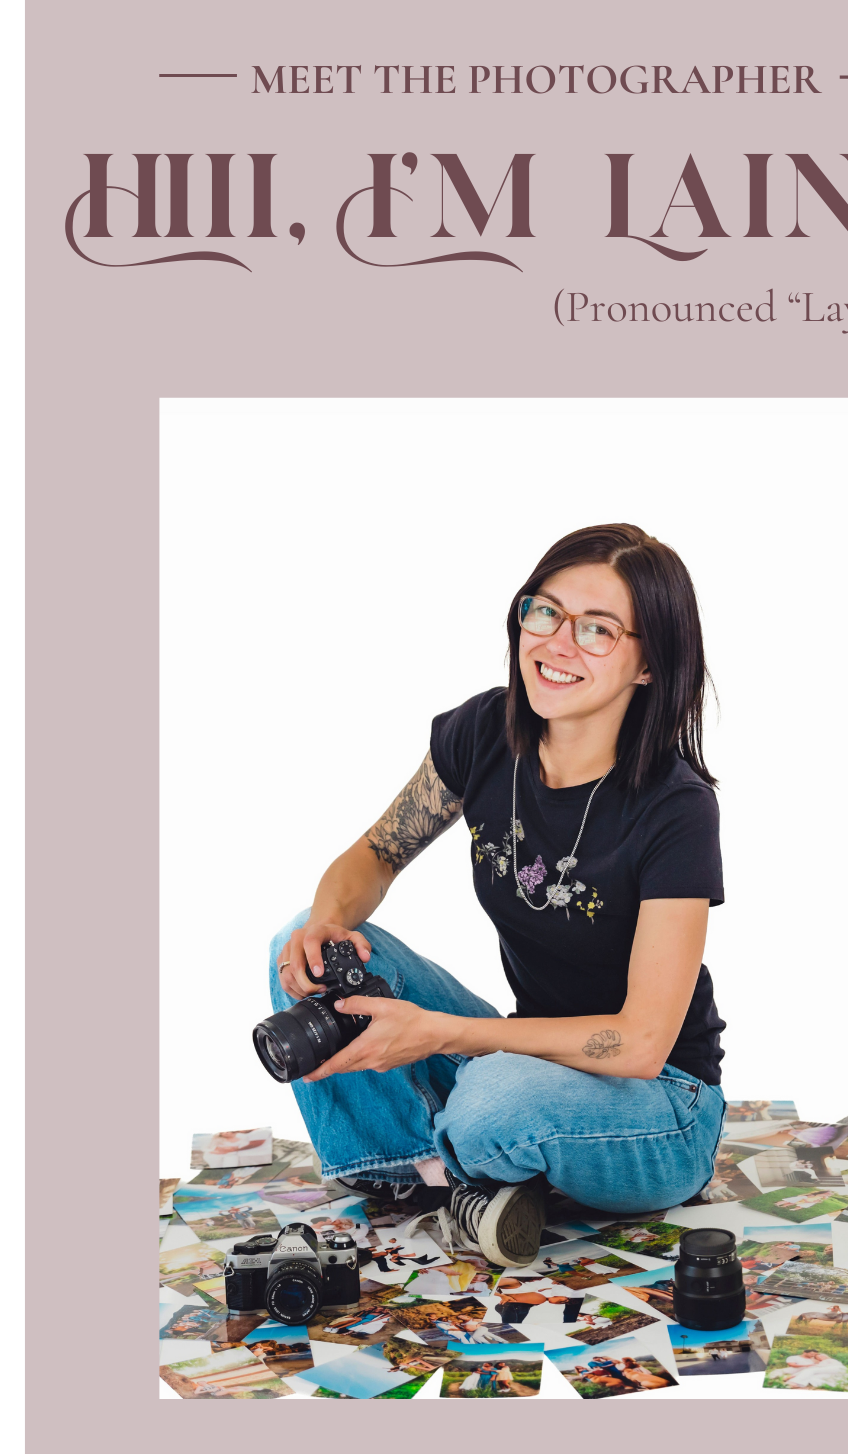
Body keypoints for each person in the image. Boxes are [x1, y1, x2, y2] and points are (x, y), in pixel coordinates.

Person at [269, 525, 727, 1269]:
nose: (556, 642)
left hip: (660, 1107)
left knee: (493, 1102)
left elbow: (642, 1044)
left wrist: (442, 1035)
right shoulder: (487, 731)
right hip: (530, 1054)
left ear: (651, 664)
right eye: (543, 611)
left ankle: (451, 1165)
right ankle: (451, 1179)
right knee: (306, 945)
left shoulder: (675, 809)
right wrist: (327, 921)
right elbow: (377, 854)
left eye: (598, 629)